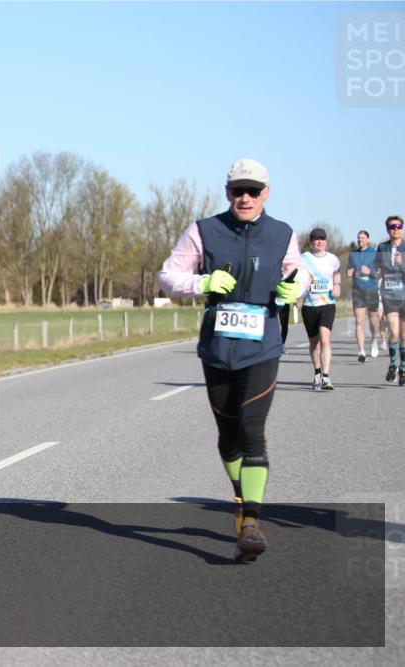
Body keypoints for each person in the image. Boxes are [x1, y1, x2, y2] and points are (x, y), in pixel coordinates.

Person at [158, 158, 306, 562]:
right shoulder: (204, 230)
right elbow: (168, 275)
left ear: (266, 194)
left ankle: (253, 521)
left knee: (252, 426)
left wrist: (297, 289)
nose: (245, 197)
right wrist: (201, 282)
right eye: (237, 190)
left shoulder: (282, 233)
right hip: (219, 346)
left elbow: (299, 272)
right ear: (227, 193)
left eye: (253, 191)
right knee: (228, 435)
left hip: (263, 343)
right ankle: (241, 501)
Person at [300, 228, 341, 390]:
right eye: (316, 239)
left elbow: (337, 273)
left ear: (326, 241)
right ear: (311, 241)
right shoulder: (304, 258)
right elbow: (296, 276)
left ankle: (326, 376)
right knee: (314, 344)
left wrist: (337, 285)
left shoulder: (333, 259)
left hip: (327, 304)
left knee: (325, 339)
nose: (319, 242)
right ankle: (317, 371)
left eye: (322, 239)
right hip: (310, 305)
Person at [376, 215, 405, 385]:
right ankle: (393, 365)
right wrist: (376, 272)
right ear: (387, 230)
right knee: (393, 332)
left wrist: (401, 265)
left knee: (403, 334)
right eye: (392, 226)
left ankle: (403, 368)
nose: (396, 229)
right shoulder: (382, 247)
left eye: (398, 226)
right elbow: (378, 267)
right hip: (389, 295)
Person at [347, 230, 382, 361]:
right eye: (358, 238)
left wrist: (370, 272)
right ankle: (361, 351)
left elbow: (380, 272)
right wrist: (348, 272)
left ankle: (374, 341)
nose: (360, 240)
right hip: (357, 291)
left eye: (362, 238)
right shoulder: (353, 254)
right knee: (359, 321)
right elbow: (348, 270)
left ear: (368, 239)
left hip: (372, 290)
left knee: (374, 321)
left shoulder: (374, 253)